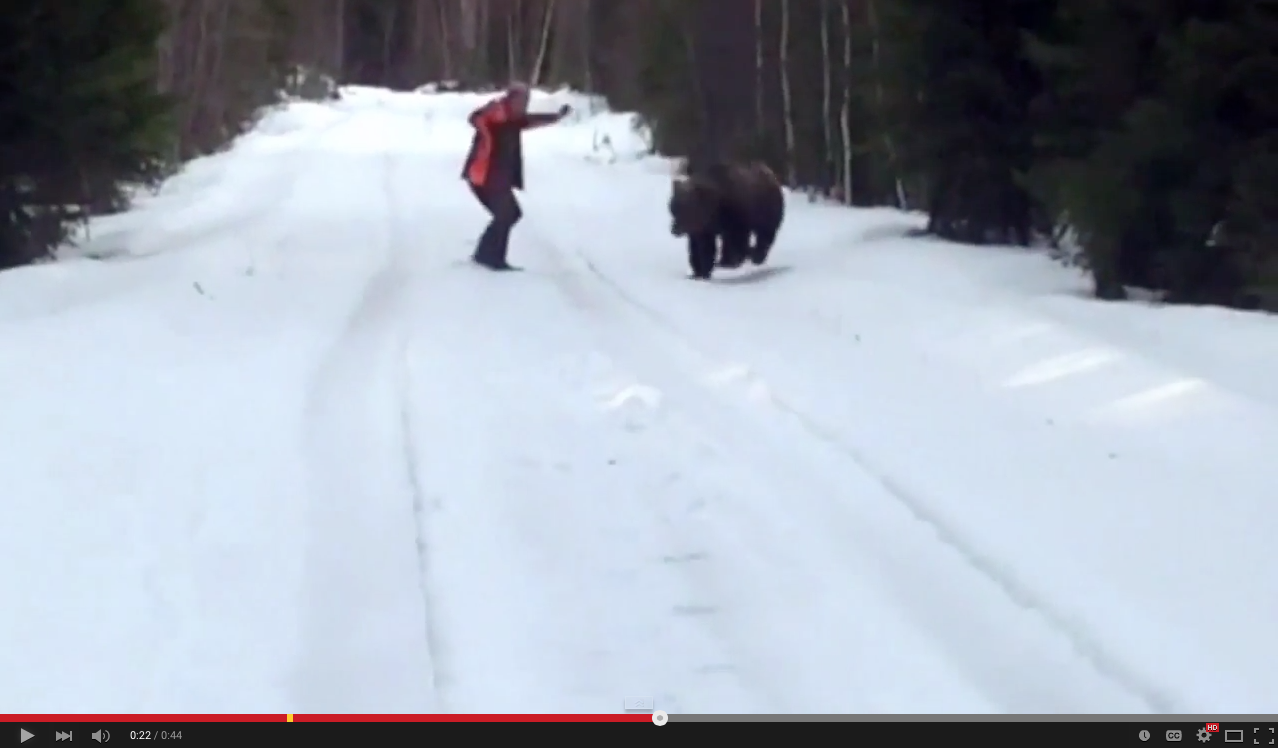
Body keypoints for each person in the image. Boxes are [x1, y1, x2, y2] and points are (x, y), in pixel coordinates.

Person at [461, 83, 571, 270]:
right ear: (511, 99)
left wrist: (556, 117)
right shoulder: (497, 114)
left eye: (527, 100)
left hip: (496, 178)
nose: (525, 105)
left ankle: (485, 255)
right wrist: (491, 112)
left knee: (510, 214)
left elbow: (531, 120)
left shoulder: (513, 118)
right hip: (485, 176)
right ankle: (490, 258)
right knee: (507, 214)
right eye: (522, 100)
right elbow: (476, 118)